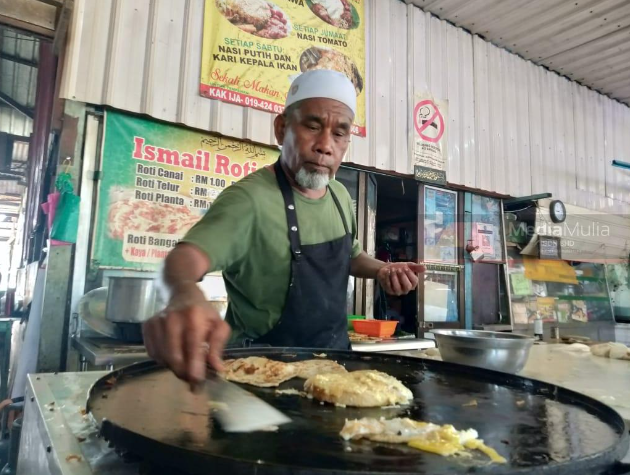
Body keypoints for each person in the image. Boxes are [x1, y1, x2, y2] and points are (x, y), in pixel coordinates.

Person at [143, 70, 424, 385]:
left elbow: (351, 255)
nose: (324, 146)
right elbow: (183, 261)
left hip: (332, 368)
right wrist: (182, 293)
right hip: (258, 373)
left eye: (339, 133)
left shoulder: (340, 196)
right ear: (281, 129)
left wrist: (382, 271)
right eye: (312, 126)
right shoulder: (249, 200)